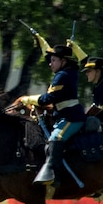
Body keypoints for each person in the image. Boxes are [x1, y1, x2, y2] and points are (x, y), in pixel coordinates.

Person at [19, 44, 84, 185]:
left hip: (71, 118)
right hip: (64, 116)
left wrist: (28, 99)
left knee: (56, 137)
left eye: (54, 60)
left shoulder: (63, 75)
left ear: (63, 61)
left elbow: (49, 98)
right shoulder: (67, 73)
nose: (50, 63)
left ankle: (53, 175)